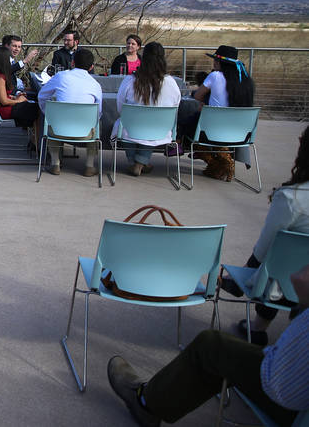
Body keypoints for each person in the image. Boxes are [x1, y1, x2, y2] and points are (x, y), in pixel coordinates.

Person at [107, 263, 309, 427]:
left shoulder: (289, 209)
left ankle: (146, 403)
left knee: (212, 346)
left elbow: (281, 386)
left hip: (293, 403)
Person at [219, 124, 309, 345]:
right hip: (298, 282)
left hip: (289, 284)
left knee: (277, 260)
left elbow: (265, 247)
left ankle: (258, 327)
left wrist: (247, 271)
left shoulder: (291, 198)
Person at [182, 44, 257, 181]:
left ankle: (218, 164)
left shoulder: (215, 76)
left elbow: (197, 96)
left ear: (221, 63)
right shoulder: (246, 81)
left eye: (216, 60)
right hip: (239, 134)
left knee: (186, 127)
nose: (214, 62)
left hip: (212, 131)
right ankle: (220, 164)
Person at [111, 42, 181, 176]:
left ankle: (134, 162)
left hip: (132, 127)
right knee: (151, 125)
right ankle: (142, 161)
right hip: (159, 129)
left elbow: (120, 107)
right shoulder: (171, 83)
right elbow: (175, 107)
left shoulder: (130, 80)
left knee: (127, 124)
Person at [36, 47, 103, 177]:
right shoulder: (95, 84)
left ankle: (55, 163)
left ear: (72, 63)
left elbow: (42, 96)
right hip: (85, 134)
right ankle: (89, 165)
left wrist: (48, 114)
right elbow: (98, 112)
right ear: (91, 67)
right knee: (98, 124)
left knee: (51, 122)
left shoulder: (60, 76)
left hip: (58, 130)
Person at [0, 45, 40, 132]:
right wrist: (19, 101)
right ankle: (36, 141)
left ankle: (33, 139)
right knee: (38, 109)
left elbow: (2, 96)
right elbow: (4, 101)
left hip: (4, 108)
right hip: (4, 111)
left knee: (32, 106)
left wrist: (15, 97)